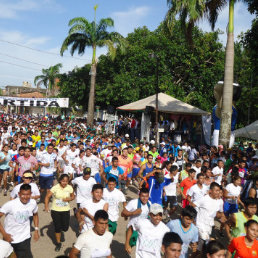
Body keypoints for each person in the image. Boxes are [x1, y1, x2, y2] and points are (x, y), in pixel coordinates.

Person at [0, 184, 39, 258]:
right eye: (23, 194)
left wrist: (36, 229)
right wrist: (4, 234)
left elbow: (35, 214)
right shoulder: (10, 205)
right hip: (9, 238)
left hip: (24, 238)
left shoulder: (33, 203)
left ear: (31, 194)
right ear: (19, 194)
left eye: (28, 195)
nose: (25, 197)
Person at [44, 174, 75, 252]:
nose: (64, 183)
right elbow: (47, 197)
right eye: (63, 181)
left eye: (66, 181)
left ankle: (60, 230)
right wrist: (46, 207)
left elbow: (73, 196)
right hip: (55, 210)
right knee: (57, 227)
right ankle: (58, 243)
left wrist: (70, 198)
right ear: (60, 180)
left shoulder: (69, 187)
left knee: (65, 228)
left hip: (66, 210)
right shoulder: (55, 188)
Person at [193, 182, 226, 249]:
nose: (218, 192)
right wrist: (194, 220)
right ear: (210, 191)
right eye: (216, 190)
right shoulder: (204, 198)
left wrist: (222, 217)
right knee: (207, 246)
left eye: (219, 191)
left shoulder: (219, 202)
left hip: (210, 226)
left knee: (200, 249)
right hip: (201, 226)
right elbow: (193, 205)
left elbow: (220, 214)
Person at [123, 188, 151, 254]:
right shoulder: (133, 203)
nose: (145, 198)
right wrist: (133, 213)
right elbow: (123, 213)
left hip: (143, 231)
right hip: (133, 230)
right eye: (142, 196)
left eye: (146, 196)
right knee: (129, 249)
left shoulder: (149, 204)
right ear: (139, 195)